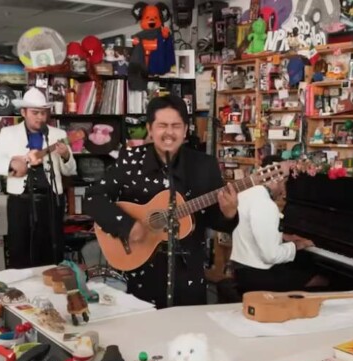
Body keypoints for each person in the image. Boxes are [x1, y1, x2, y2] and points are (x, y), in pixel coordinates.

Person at [84, 95, 238, 308]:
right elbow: (93, 197)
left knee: (190, 338)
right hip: (138, 274)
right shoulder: (130, 160)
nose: (169, 132)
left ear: (185, 130)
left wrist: (229, 213)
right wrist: (127, 226)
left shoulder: (204, 165)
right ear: (150, 128)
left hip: (188, 277)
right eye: (162, 125)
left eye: (176, 126)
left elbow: (214, 220)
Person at [0, 88, 76, 269]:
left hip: (51, 201)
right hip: (20, 202)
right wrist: (11, 165)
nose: (40, 117)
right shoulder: (8, 134)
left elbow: (70, 170)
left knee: (51, 252)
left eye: (43, 113)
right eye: (35, 113)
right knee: (20, 251)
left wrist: (65, 156)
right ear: (23, 112)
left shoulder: (58, 135)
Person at [231, 155, 327, 293]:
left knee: (300, 269)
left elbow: (256, 232)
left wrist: (283, 237)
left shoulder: (245, 194)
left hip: (242, 271)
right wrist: (297, 245)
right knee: (321, 280)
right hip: (256, 276)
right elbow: (271, 256)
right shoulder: (266, 205)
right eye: (284, 183)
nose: (283, 191)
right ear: (277, 178)